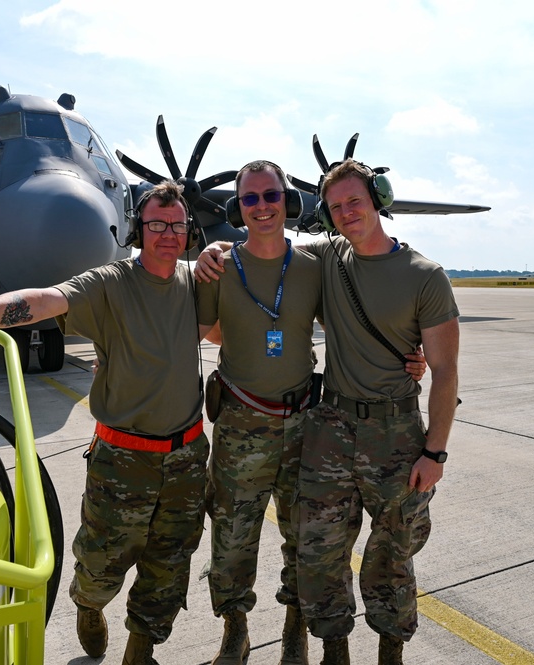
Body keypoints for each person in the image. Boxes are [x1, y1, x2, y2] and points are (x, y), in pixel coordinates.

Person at [0, 180, 213, 665]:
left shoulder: (196, 282)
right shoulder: (111, 283)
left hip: (187, 457)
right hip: (124, 458)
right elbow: (44, 300)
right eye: (156, 224)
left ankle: (141, 648)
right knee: (99, 563)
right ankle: (88, 604)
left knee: (171, 565)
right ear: (139, 229)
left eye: (177, 226)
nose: (168, 234)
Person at [195, 158, 458, 665]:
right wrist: (213, 245)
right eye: (335, 206)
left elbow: (446, 371)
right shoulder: (313, 259)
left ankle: (361, 645)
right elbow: (254, 261)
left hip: (371, 428)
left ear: (377, 201)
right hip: (313, 426)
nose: (345, 213)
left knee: (386, 549)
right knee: (305, 546)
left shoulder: (400, 273)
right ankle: (285, 639)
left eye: (355, 201)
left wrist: (436, 451)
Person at [196, 160, 322, 665]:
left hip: (302, 424)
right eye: (250, 199)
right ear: (237, 208)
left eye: (271, 196)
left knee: (305, 532)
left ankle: (296, 625)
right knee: (231, 535)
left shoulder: (314, 267)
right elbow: (200, 327)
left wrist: (414, 356)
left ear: (287, 202)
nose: (262, 207)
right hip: (240, 423)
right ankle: (236, 629)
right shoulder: (219, 267)